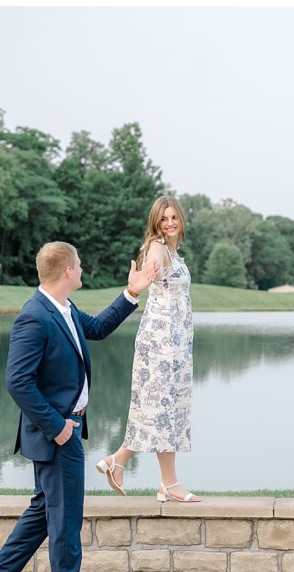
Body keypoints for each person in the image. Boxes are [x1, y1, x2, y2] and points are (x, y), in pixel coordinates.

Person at [0, 241, 159, 572]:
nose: (82, 269)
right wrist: (57, 427)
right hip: (56, 434)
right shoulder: (34, 318)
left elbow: (100, 328)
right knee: (66, 521)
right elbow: (17, 382)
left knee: (44, 513)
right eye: (80, 265)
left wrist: (132, 292)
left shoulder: (64, 309)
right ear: (68, 271)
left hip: (63, 430)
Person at [95, 195, 200, 503]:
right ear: (156, 222)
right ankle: (166, 481)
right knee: (162, 408)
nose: (169, 222)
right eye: (163, 218)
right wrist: (141, 278)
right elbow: (150, 268)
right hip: (162, 342)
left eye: (173, 217)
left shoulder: (173, 251)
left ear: (181, 219)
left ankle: (120, 461)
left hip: (175, 340)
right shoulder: (158, 247)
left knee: (161, 408)